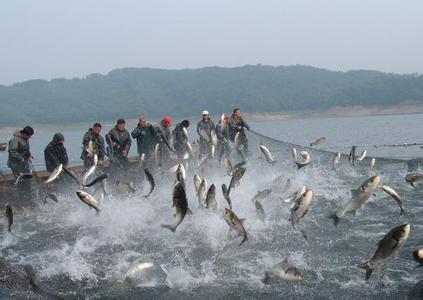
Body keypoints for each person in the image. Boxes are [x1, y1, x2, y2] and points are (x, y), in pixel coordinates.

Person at [7, 126, 34, 201]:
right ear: (25, 134)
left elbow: (26, 150)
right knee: (21, 182)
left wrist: (29, 156)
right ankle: (21, 199)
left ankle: (28, 197)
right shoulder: (15, 140)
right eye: (29, 136)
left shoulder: (26, 139)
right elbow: (12, 151)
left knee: (27, 181)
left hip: (24, 164)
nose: (30, 137)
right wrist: (20, 158)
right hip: (16, 165)